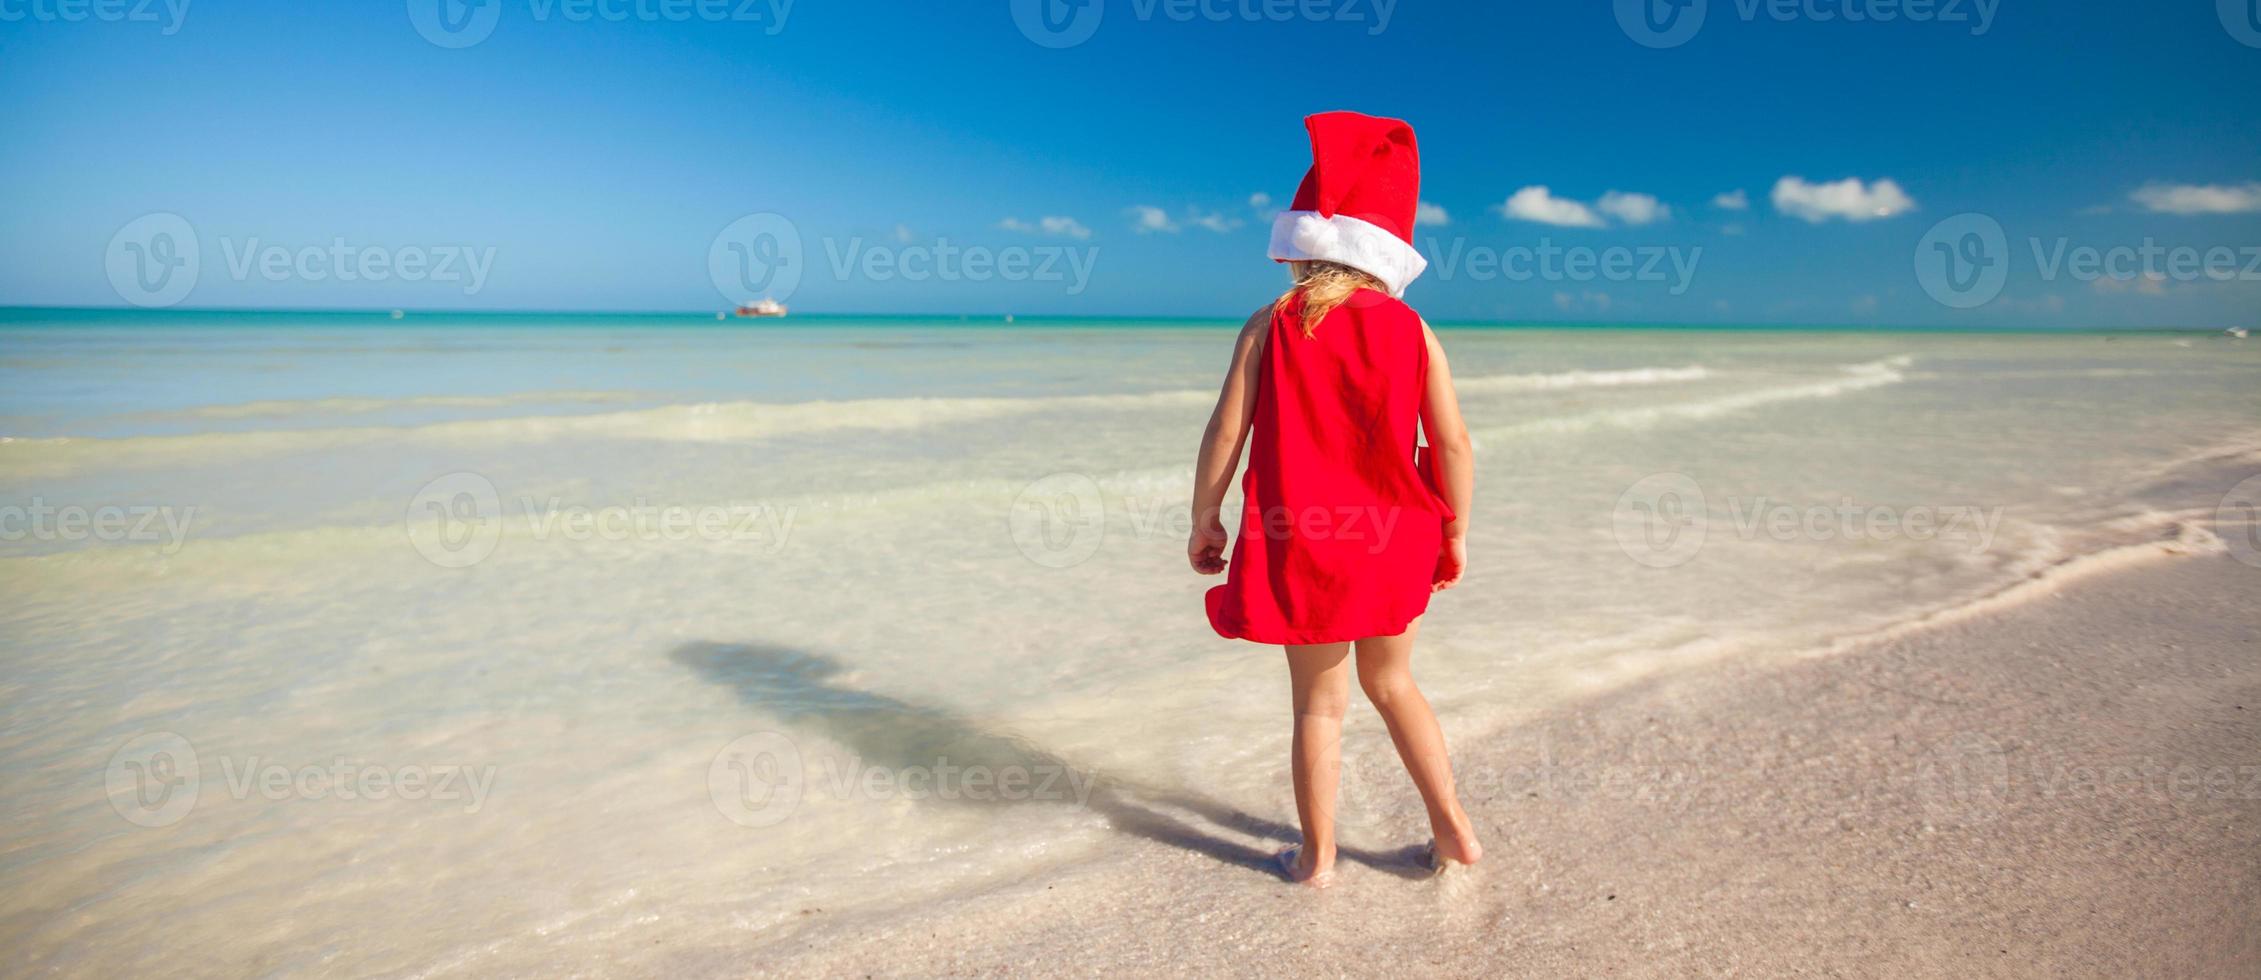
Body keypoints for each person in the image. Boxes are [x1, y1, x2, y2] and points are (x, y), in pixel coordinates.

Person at [1187, 111, 1481, 889]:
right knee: (1393, 684)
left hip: (1302, 542)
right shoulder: (1414, 331)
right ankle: (1453, 829)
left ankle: (1316, 858)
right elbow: (1452, 446)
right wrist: (1454, 531)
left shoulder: (1271, 322)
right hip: (1396, 538)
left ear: (1303, 247)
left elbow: (1225, 432)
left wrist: (1204, 516)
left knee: (1319, 704)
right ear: (1383, 256)